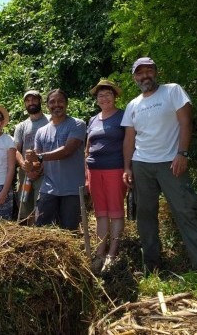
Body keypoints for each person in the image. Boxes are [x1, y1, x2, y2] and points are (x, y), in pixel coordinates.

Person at [121, 57, 197, 278]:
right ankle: (152, 268)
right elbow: (129, 139)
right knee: (145, 216)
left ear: (156, 72)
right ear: (135, 77)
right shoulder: (133, 105)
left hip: (171, 163)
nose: (145, 76)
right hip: (142, 165)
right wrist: (127, 167)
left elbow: (186, 122)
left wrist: (182, 153)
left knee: (186, 212)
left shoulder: (172, 91)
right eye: (140, 73)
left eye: (149, 71)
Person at [24, 89, 86, 230]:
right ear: (47, 105)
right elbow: (37, 163)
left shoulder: (77, 124)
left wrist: (39, 157)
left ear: (66, 104)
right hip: (48, 188)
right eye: (52, 102)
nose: (56, 105)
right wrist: (30, 166)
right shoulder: (41, 131)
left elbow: (67, 151)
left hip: (72, 190)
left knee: (69, 231)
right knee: (41, 230)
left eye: (60, 101)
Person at [85, 79, 127, 273]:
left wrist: (129, 168)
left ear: (115, 96)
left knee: (116, 211)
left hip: (115, 169)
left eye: (107, 94)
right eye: (100, 95)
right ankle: (100, 252)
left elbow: (130, 143)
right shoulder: (93, 119)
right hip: (94, 171)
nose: (104, 98)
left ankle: (112, 252)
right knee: (101, 212)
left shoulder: (123, 116)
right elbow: (88, 148)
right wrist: (86, 174)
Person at [14, 90, 49, 224]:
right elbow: (16, 150)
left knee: (41, 205)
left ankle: (40, 232)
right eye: (28, 101)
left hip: (44, 171)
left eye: (34, 100)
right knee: (24, 206)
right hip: (25, 173)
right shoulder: (21, 126)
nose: (31, 103)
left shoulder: (50, 120)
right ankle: (29, 234)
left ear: (40, 101)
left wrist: (42, 166)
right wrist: (23, 164)